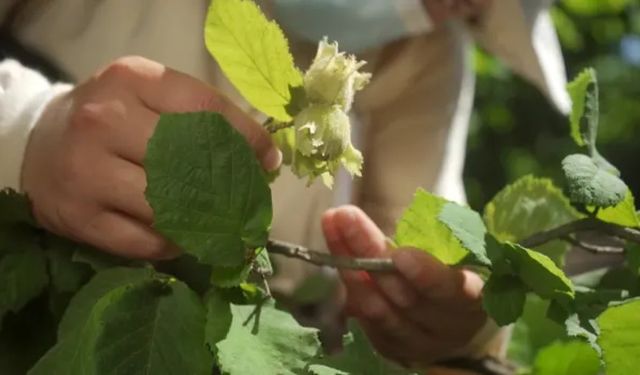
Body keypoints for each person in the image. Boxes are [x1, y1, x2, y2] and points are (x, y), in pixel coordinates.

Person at [0, 0, 569, 370]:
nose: (440, 7)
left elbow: (417, 251)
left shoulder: (426, 61)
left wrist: (456, 335)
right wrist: (28, 129)